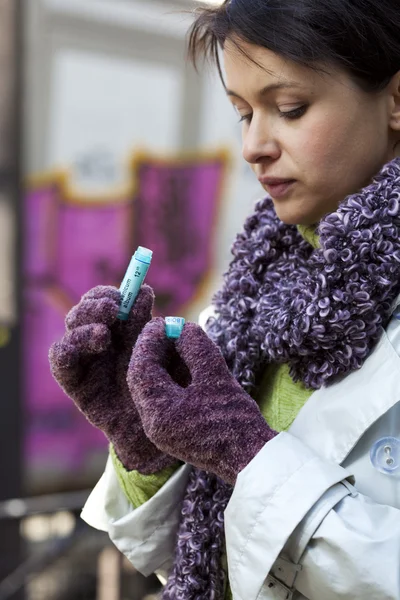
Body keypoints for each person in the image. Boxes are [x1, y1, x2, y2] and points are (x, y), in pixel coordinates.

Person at [49, 0, 400, 598]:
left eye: (290, 109)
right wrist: (144, 445)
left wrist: (246, 456)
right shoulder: (250, 297)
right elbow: (217, 560)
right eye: (243, 113)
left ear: (394, 100)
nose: (254, 147)